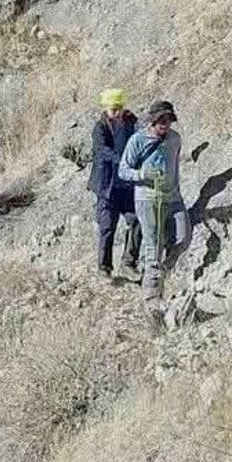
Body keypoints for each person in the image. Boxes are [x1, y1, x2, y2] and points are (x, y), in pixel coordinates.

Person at [118, 100, 192, 330]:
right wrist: (143, 174)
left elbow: (175, 167)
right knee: (153, 245)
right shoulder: (138, 140)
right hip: (148, 199)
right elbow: (123, 170)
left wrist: (176, 189)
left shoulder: (175, 139)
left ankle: (163, 272)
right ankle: (151, 300)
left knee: (183, 238)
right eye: (161, 120)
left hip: (173, 197)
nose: (165, 124)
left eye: (168, 120)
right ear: (152, 120)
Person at [89, 88, 140, 280]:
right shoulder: (99, 128)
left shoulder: (130, 124)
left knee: (136, 220)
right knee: (107, 226)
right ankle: (104, 268)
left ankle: (129, 262)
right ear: (106, 109)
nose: (117, 112)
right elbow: (102, 151)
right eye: (113, 109)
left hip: (126, 186)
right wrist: (124, 160)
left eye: (119, 108)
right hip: (107, 186)